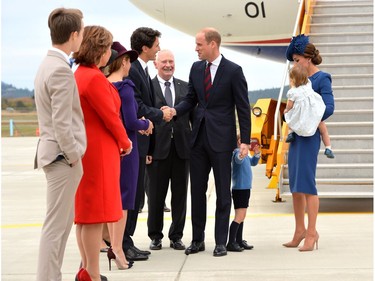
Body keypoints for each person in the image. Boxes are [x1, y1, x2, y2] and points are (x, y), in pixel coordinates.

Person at [171, 27, 251, 257]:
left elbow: (243, 107)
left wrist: (244, 140)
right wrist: (173, 112)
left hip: (222, 140)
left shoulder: (234, 71)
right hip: (197, 140)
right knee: (197, 191)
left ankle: (220, 241)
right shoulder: (196, 68)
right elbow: (190, 100)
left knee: (223, 193)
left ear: (212, 44)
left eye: (199, 45)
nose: (196, 49)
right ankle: (197, 240)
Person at [73, 26, 132, 281]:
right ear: (100, 49)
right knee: (95, 215)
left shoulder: (80, 74)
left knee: (85, 216)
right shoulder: (94, 78)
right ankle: (93, 275)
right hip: (99, 152)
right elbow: (110, 116)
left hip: (88, 149)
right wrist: (125, 141)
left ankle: (86, 268)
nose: (110, 53)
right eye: (108, 47)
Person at [33, 8, 86, 281]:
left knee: (61, 225)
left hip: (55, 155)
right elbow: (62, 122)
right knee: (56, 228)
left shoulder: (48, 63)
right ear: (74, 35)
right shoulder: (60, 71)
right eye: (82, 32)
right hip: (61, 158)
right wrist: (74, 154)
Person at [123, 27, 173, 261]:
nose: (159, 49)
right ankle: (124, 242)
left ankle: (127, 241)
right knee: (132, 197)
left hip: (143, 144)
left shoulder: (139, 69)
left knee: (136, 197)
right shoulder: (133, 70)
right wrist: (158, 114)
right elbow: (137, 106)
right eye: (156, 45)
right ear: (145, 48)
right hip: (136, 141)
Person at [283, 34, 334, 251]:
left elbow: (329, 107)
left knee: (307, 184)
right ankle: (299, 230)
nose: (294, 64)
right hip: (296, 137)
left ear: (307, 58)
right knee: (295, 184)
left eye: (297, 60)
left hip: (310, 136)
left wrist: (309, 116)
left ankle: (312, 232)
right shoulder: (297, 79)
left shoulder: (322, 78)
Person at [105, 41, 153, 269]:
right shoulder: (125, 87)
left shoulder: (104, 85)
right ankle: (119, 248)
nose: (130, 65)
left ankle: (111, 245)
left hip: (110, 148)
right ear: (122, 62)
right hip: (128, 147)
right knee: (125, 200)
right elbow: (131, 120)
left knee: (111, 198)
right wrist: (146, 122)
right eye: (128, 61)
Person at [147, 49, 192, 251]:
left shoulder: (185, 87)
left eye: (171, 61)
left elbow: (192, 116)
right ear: (156, 64)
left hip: (182, 149)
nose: (168, 65)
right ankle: (155, 235)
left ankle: (176, 236)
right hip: (157, 150)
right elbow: (145, 118)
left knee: (180, 195)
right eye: (164, 61)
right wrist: (147, 149)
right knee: (156, 195)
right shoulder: (149, 86)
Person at [284, 65, 335, 159]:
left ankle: (291, 133)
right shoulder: (309, 84)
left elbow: (290, 106)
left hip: (302, 114)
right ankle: (328, 147)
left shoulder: (292, 92)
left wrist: (286, 110)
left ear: (292, 80)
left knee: (289, 117)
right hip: (314, 111)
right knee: (323, 130)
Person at [227, 135, 260, 252]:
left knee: (242, 216)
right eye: (242, 141)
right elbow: (238, 159)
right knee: (239, 216)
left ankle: (239, 240)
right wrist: (241, 154)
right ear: (237, 142)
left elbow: (253, 163)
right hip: (240, 188)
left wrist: (256, 154)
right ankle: (231, 242)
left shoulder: (246, 154)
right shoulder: (237, 153)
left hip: (245, 188)